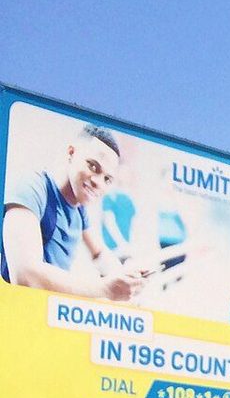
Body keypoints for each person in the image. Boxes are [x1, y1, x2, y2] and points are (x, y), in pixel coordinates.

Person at [1, 124, 146, 301]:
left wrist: (125, 276)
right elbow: (24, 276)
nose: (98, 182)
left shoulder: (79, 208)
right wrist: (104, 289)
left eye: (107, 179)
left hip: (48, 316)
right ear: (71, 153)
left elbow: (100, 253)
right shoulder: (32, 189)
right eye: (93, 167)